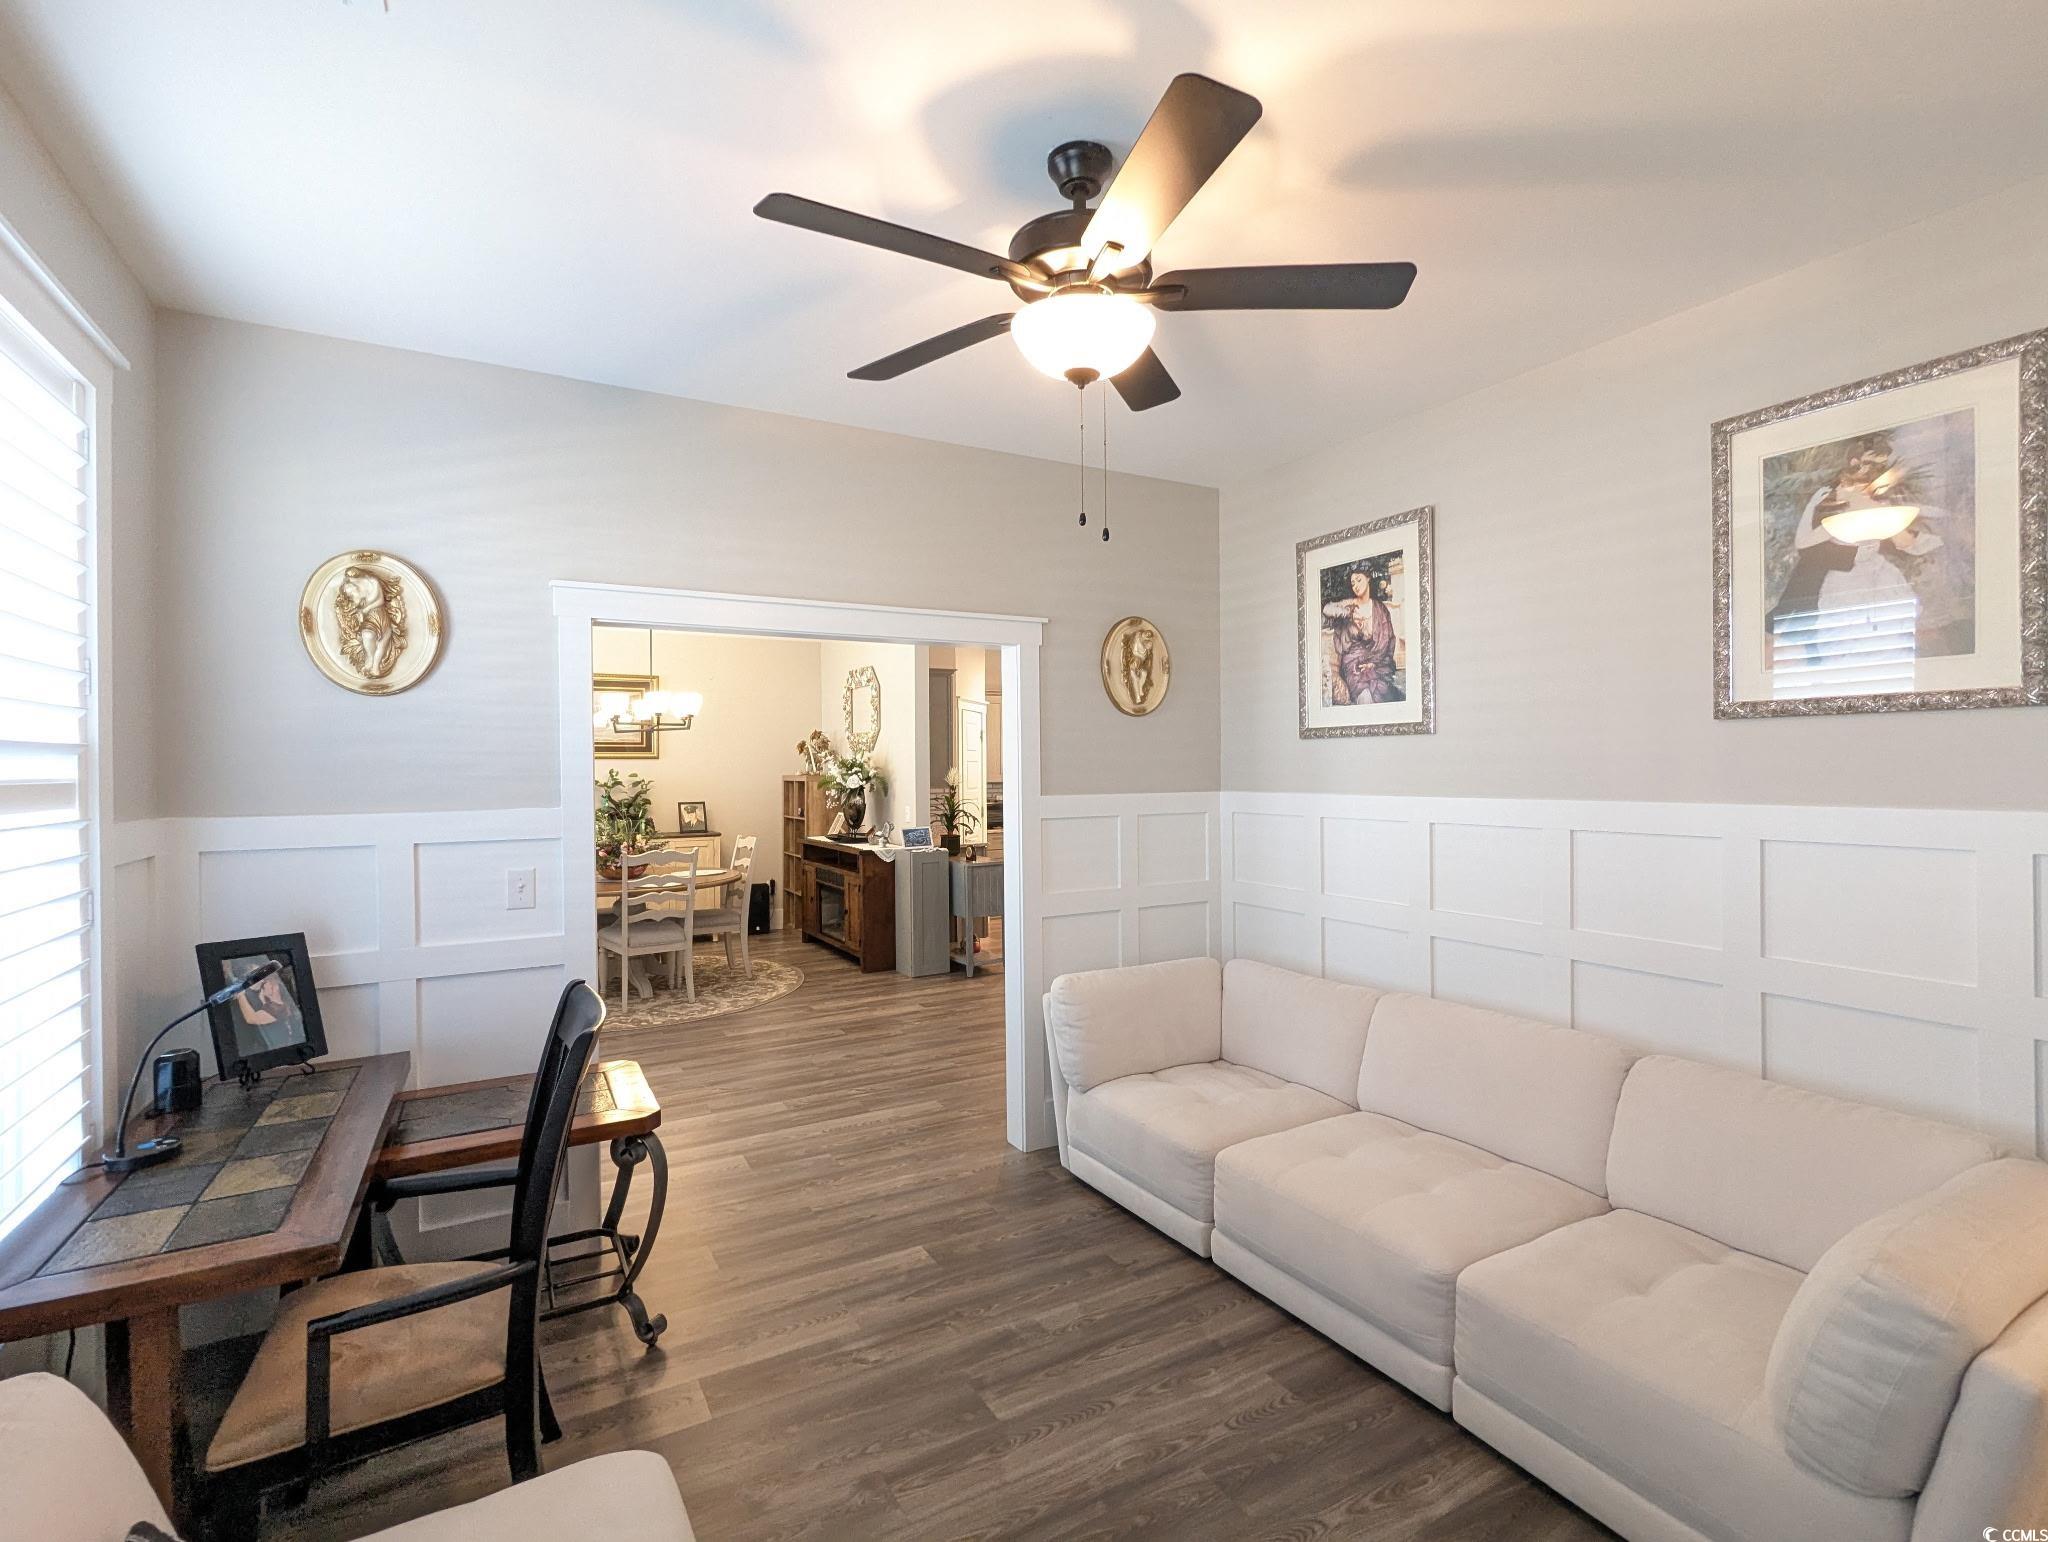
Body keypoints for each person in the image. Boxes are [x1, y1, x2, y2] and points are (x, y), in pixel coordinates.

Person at [1323, 566, 1402, 704]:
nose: (1356, 586)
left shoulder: (1380, 609)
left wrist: (1374, 663)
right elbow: (1326, 609)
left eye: (1359, 580)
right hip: (1354, 663)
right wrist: (1348, 614)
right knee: (1365, 695)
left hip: (1376, 662)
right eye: (1353, 583)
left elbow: (1388, 641)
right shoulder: (1350, 605)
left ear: (1368, 578)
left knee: (1385, 694)